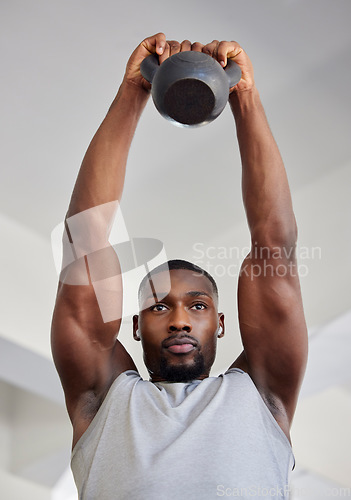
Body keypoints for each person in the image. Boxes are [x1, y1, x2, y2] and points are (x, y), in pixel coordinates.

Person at [51, 33, 308, 499]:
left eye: (197, 305)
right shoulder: (102, 401)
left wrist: (244, 96)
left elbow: (274, 247)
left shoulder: (263, 398)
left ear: (221, 323)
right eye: (157, 308)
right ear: (132, 326)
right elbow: (85, 239)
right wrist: (133, 92)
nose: (179, 320)